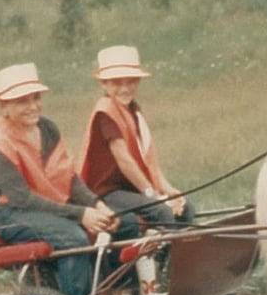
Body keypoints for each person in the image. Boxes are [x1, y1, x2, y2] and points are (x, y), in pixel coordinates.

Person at [0, 62, 144, 295]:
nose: (33, 106)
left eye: (35, 98)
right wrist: (81, 215)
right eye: (21, 101)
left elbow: (69, 178)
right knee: (73, 238)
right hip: (12, 215)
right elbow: (22, 199)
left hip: (47, 205)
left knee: (124, 222)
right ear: (2, 105)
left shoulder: (47, 128)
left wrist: (96, 205)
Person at [76, 45, 195, 229]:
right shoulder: (105, 113)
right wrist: (151, 194)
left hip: (129, 189)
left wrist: (168, 190)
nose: (125, 89)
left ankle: (180, 253)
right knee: (160, 211)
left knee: (185, 205)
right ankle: (166, 253)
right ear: (103, 84)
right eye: (117, 83)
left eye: (131, 82)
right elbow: (125, 160)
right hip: (107, 192)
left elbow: (149, 162)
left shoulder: (133, 110)